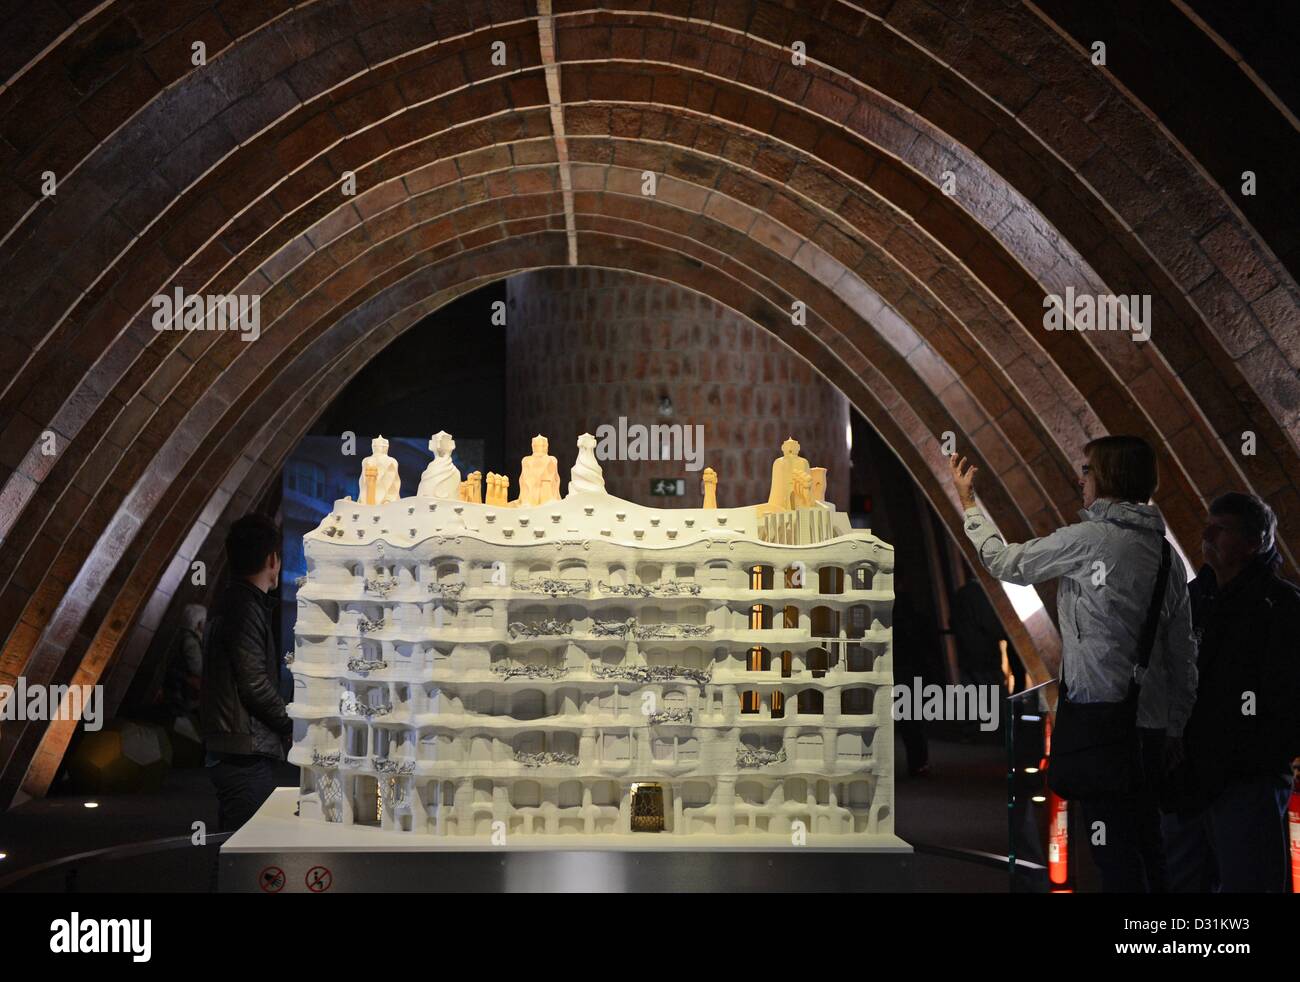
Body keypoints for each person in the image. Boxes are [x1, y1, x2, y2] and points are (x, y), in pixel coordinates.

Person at [950, 436, 1197, 892]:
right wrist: (1177, 726)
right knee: (1149, 845)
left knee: (1112, 851)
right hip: (1152, 728)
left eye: (1086, 470)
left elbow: (1008, 563)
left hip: (1101, 722)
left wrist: (969, 504)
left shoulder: (1090, 541)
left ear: (1107, 476)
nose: (1079, 478)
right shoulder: (1166, 555)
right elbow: (1183, 650)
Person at [1163, 493, 1300, 892]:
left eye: (1220, 529)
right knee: (1184, 880)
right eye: (1207, 525)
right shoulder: (1192, 598)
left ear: (1253, 543)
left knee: (1248, 879)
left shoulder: (1280, 608)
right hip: (1188, 773)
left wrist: (1258, 753)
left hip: (1245, 779)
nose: (1205, 535)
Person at [201, 514, 293, 835]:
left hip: (233, 750)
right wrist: (289, 723)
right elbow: (254, 684)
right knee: (247, 854)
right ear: (272, 559)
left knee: (236, 851)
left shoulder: (230, 600)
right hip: (243, 754)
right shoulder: (244, 606)